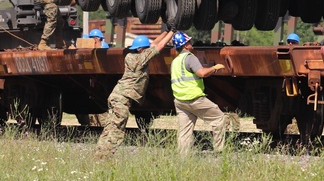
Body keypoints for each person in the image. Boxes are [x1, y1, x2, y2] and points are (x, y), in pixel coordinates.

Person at [94, 30, 173, 160]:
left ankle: (99, 155)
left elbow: (153, 44)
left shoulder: (132, 56)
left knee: (109, 128)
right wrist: (173, 32)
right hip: (122, 100)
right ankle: (105, 158)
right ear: (142, 49)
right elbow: (159, 47)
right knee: (117, 131)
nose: (148, 50)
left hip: (117, 96)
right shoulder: (140, 59)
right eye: (146, 49)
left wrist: (166, 31)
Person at [171, 31, 227, 155]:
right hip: (194, 99)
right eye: (189, 42)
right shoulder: (190, 57)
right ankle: (219, 151)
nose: (191, 44)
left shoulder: (175, 61)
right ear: (185, 45)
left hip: (180, 101)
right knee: (219, 118)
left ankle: (182, 158)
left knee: (184, 132)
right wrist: (214, 68)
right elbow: (201, 73)